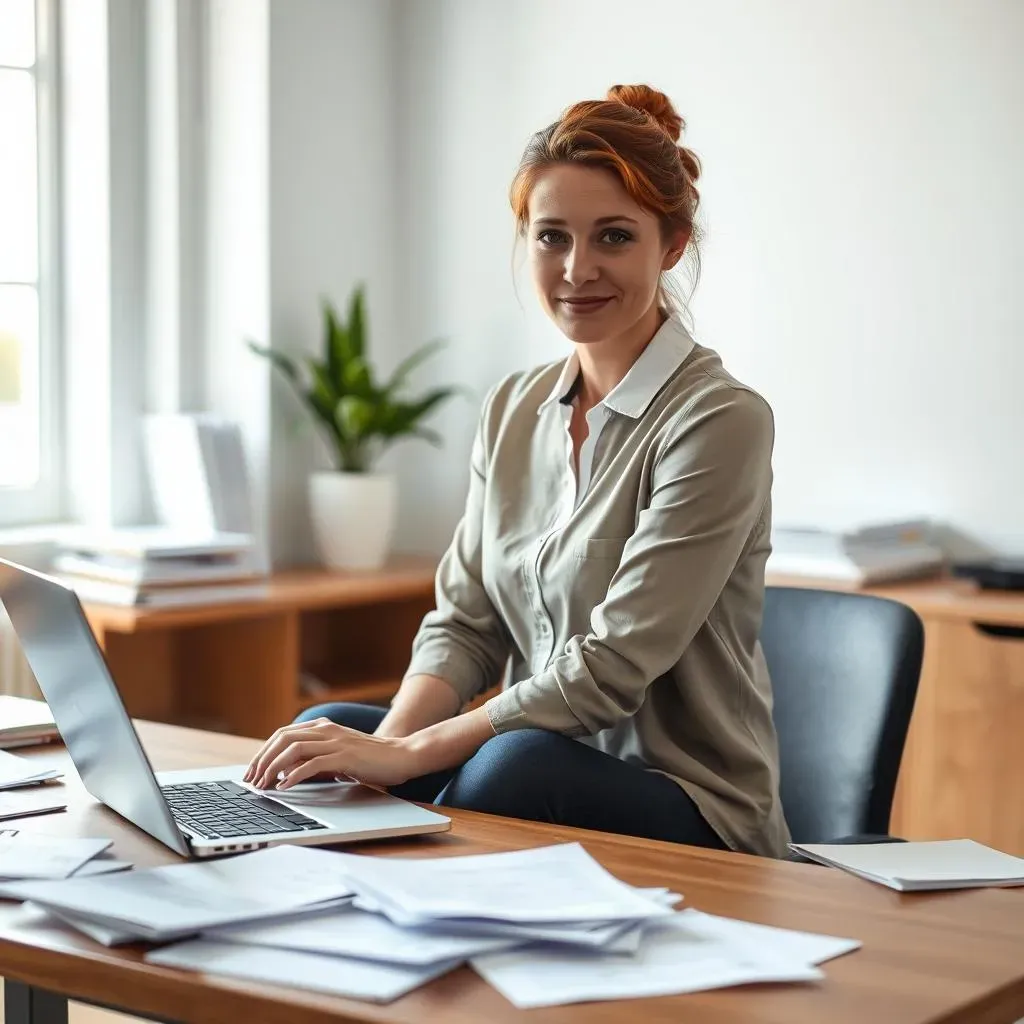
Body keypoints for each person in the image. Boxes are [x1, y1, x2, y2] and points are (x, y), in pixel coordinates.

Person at [245, 83, 790, 858]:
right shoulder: (514, 408)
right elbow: (467, 624)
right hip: (537, 768)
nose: (576, 269)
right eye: (551, 237)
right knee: (317, 738)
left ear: (670, 246)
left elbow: (609, 667)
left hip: (692, 805)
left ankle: (413, 932)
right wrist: (381, 755)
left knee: (510, 765)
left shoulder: (719, 420)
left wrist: (404, 762)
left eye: (613, 238)